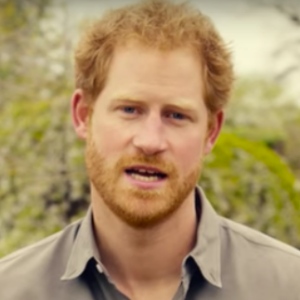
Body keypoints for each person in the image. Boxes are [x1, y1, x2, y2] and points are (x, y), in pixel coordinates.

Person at [1, 0, 300, 299]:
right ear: (83, 115)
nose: (150, 141)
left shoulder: (288, 285)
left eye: (177, 115)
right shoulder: (11, 289)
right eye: (130, 109)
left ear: (211, 131)